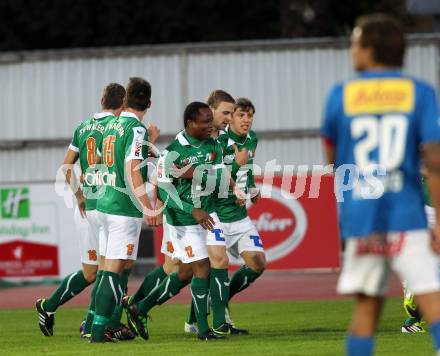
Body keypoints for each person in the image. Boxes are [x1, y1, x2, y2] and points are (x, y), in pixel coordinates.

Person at [321, 13, 440, 355]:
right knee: (432, 300)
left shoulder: (340, 94)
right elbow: (434, 161)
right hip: (407, 213)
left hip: (363, 218)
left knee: (366, 310)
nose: (352, 48)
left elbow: (333, 158)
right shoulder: (419, 92)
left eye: (355, 42)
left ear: (370, 49)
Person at [125, 101, 243, 340]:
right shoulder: (172, 153)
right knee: (199, 266)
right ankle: (202, 329)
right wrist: (192, 210)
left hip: (209, 213)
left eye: (211, 120)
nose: (211, 125)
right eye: (206, 121)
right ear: (190, 123)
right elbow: (167, 192)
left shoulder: (213, 145)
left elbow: (219, 174)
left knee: (203, 266)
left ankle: (142, 308)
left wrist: (205, 177)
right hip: (182, 219)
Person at [36, 83, 128, 338]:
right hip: (103, 206)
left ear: (101, 100)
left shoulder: (84, 127)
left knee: (98, 270)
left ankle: (69, 315)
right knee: (98, 271)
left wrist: (79, 196)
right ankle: (87, 323)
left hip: (92, 205)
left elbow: (66, 167)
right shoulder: (118, 128)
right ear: (123, 104)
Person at [90, 77, 159, 342]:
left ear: (126, 100)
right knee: (113, 270)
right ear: (149, 103)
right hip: (122, 208)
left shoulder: (112, 124)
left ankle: (96, 325)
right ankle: (98, 332)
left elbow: (99, 160)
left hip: (105, 202)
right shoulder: (136, 129)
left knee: (112, 265)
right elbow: (132, 169)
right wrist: (148, 206)